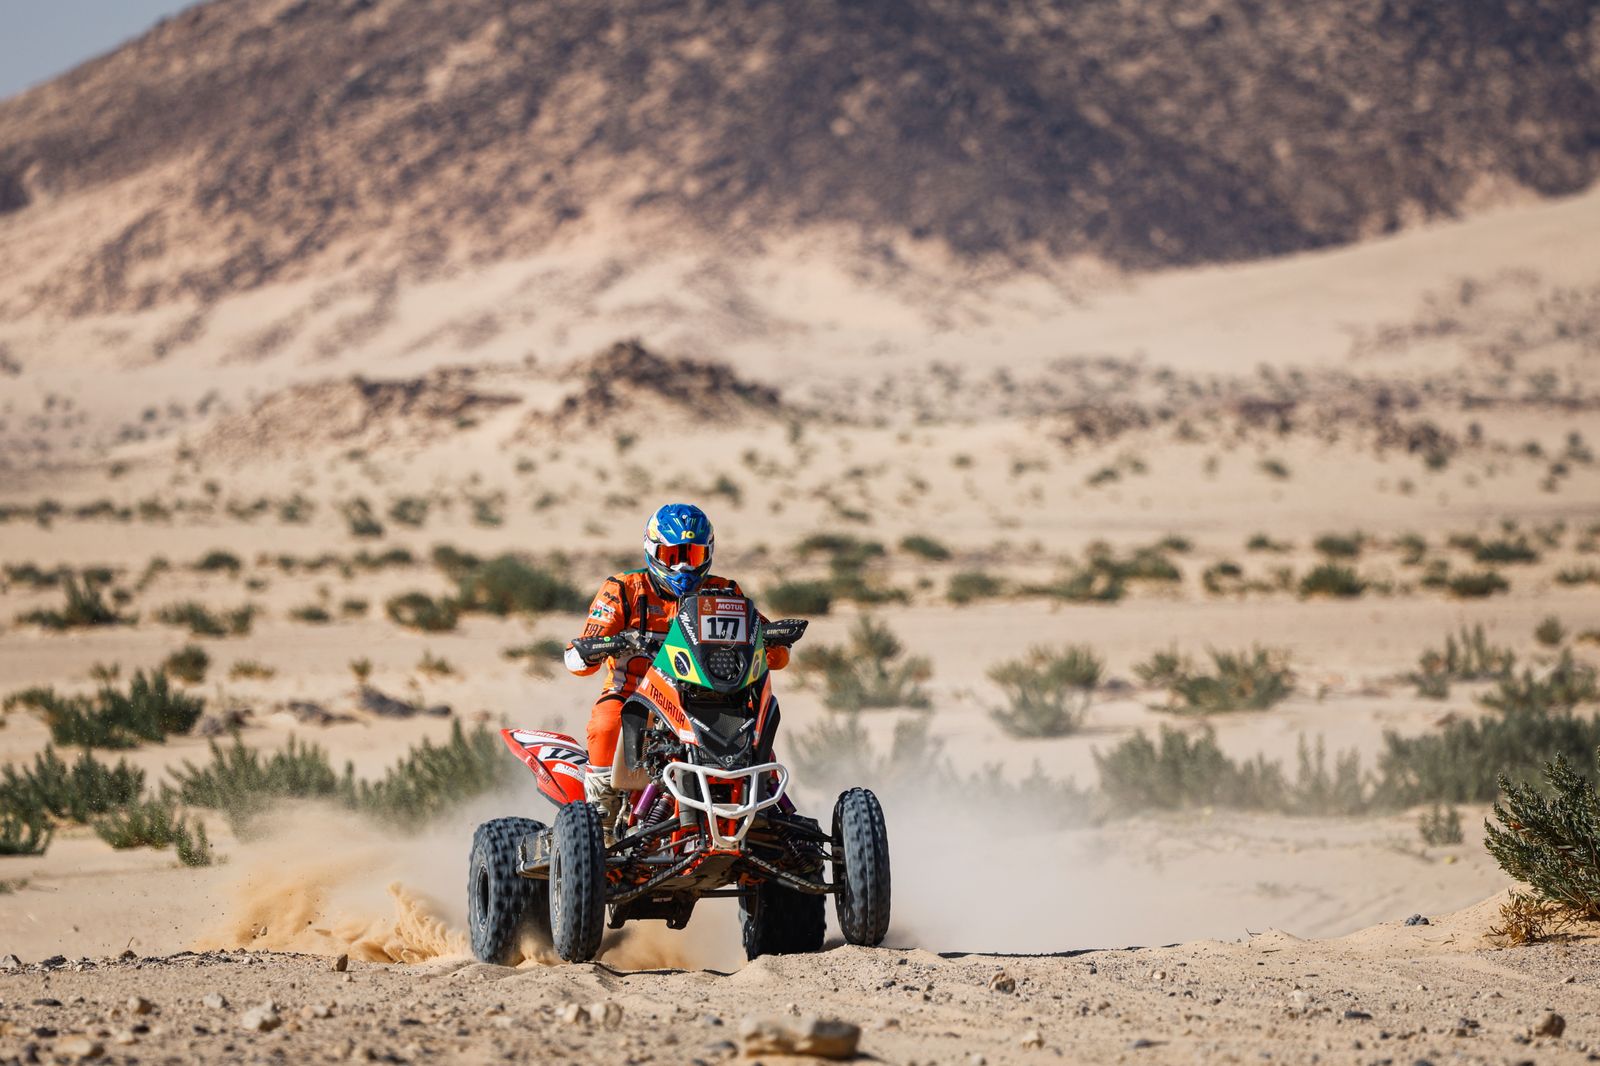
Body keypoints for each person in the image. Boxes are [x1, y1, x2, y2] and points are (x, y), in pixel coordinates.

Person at [564, 503, 790, 823]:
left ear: (708, 554)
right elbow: (581, 656)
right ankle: (602, 813)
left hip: (708, 692)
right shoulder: (623, 589)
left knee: (754, 736)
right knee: (606, 725)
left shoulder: (724, 590)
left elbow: (774, 655)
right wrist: (600, 646)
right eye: (673, 556)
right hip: (636, 690)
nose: (684, 566)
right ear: (653, 551)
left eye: (693, 556)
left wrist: (771, 639)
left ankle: (771, 807)